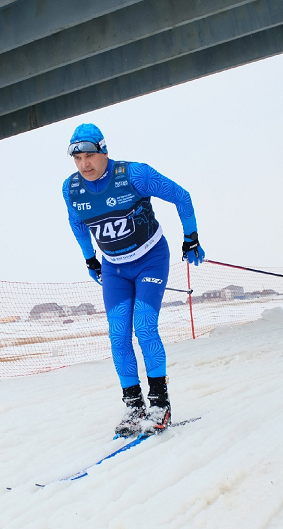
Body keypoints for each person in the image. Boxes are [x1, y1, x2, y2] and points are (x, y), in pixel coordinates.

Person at [62, 123, 205, 437]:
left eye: (89, 155)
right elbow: (78, 225)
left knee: (144, 326)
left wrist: (191, 237)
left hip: (150, 259)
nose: (84, 164)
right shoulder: (71, 188)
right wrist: (90, 259)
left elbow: (181, 196)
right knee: (117, 336)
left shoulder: (134, 175)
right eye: (77, 158)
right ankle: (133, 405)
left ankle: (159, 403)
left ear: (103, 151)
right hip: (114, 268)